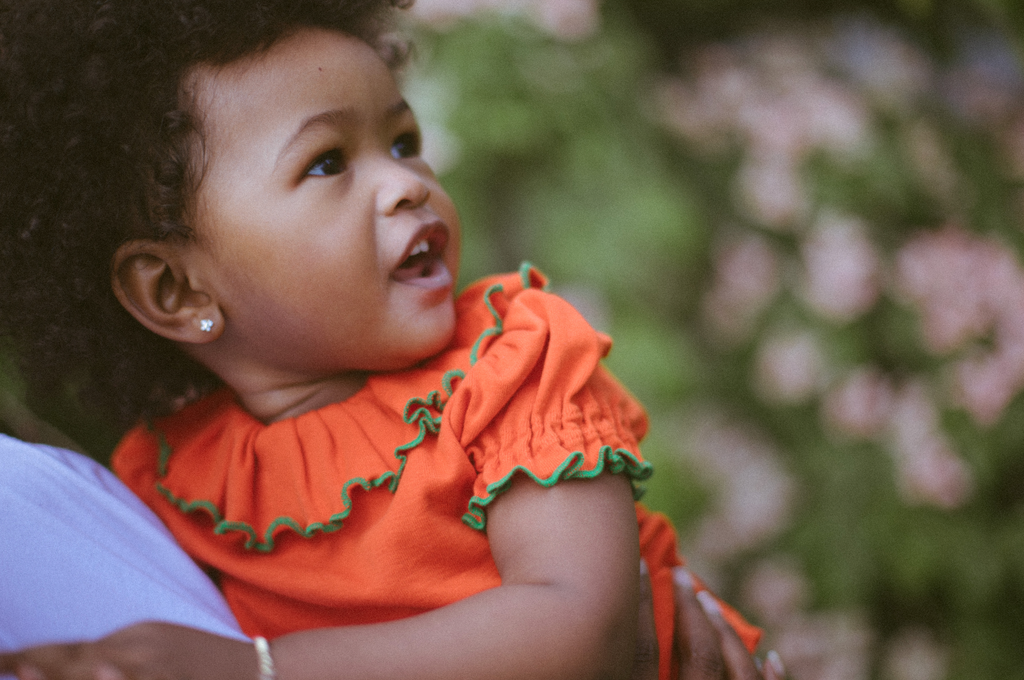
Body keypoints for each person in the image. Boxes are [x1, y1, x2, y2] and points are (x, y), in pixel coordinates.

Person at [0, 1, 780, 678]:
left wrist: (258, 668)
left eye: (403, 141)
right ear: (177, 291)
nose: (408, 184)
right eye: (327, 162)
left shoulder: (509, 368)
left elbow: (583, 631)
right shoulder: (174, 477)